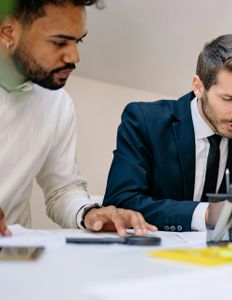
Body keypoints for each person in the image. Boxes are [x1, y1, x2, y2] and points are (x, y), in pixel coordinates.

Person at [0, 0, 156, 237]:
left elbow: (62, 189)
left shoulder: (56, 103)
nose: (74, 56)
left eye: (78, 41)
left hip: (12, 260)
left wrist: (89, 214)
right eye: (59, 42)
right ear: (7, 32)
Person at [103, 34, 232, 234]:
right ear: (198, 86)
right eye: (228, 99)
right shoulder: (145, 121)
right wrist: (206, 214)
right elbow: (120, 202)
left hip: (224, 260)